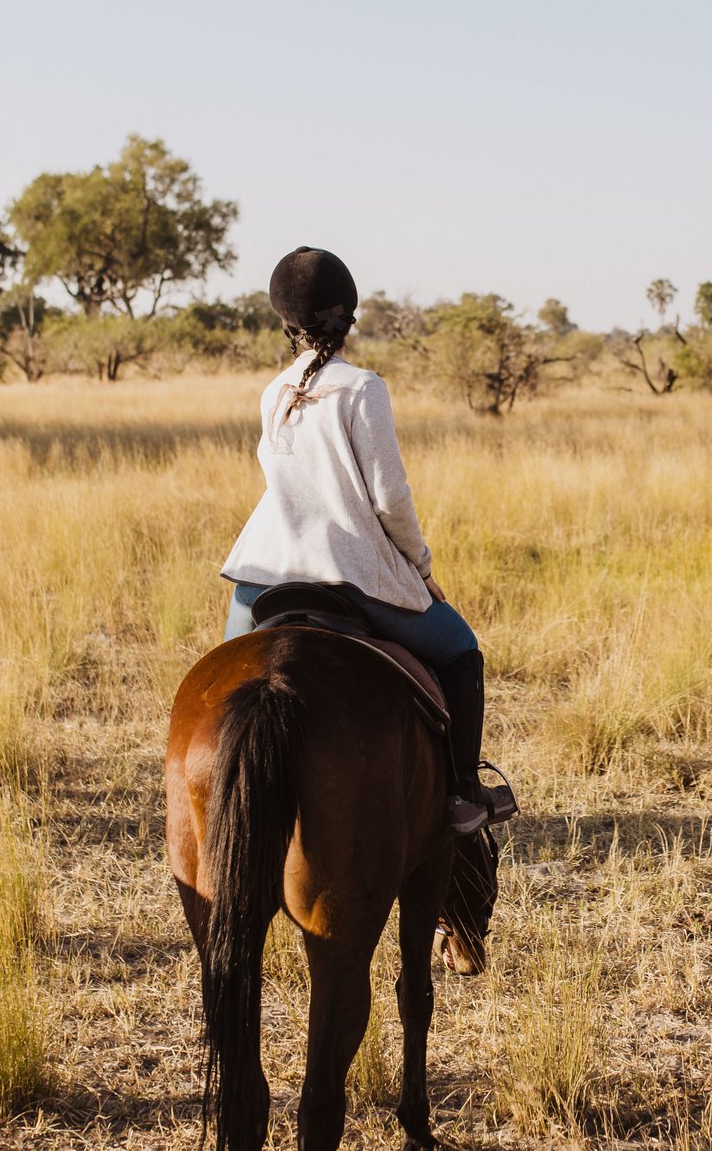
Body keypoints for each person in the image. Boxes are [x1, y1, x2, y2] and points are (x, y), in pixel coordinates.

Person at [221, 246, 517, 836]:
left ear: (287, 321)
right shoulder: (363, 389)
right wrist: (421, 564)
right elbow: (389, 499)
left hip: (263, 571)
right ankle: (461, 792)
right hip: (349, 568)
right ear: (347, 315)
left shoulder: (272, 391)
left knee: (224, 679)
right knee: (461, 651)